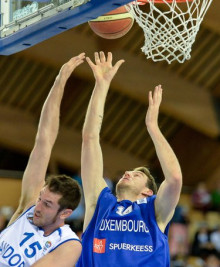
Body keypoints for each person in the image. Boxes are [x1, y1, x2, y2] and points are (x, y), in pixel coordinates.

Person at [76, 51, 183, 267]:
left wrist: (153, 127)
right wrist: (101, 85)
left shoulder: (155, 212)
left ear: (148, 192)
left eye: (136, 175)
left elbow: (174, 178)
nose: (127, 173)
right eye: (129, 172)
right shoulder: (100, 204)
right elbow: (89, 139)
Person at [0, 53, 85, 267]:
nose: (38, 206)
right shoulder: (28, 208)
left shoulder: (69, 245)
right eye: (40, 198)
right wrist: (59, 81)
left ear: (65, 213)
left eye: (47, 204)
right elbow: (44, 140)